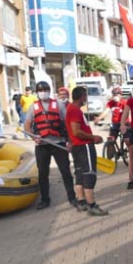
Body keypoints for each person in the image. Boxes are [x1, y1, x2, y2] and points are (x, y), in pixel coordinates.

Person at [24, 81, 76, 210]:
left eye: (45, 89)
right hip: (42, 145)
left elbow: (68, 124)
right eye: (41, 90)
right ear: (37, 92)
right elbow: (27, 126)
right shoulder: (33, 107)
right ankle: (45, 199)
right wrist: (33, 137)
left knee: (65, 171)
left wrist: (70, 142)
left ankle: (72, 197)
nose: (43, 92)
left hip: (59, 143)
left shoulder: (58, 105)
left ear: (49, 90)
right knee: (43, 173)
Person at [66, 86, 109, 216]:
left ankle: (82, 201)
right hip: (84, 146)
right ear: (82, 97)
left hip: (77, 146)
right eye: (85, 96)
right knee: (89, 174)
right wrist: (93, 137)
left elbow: (71, 131)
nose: (86, 99)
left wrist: (71, 141)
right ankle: (92, 205)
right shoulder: (75, 110)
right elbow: (76, 131)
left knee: (80, 174)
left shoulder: (72, 109)